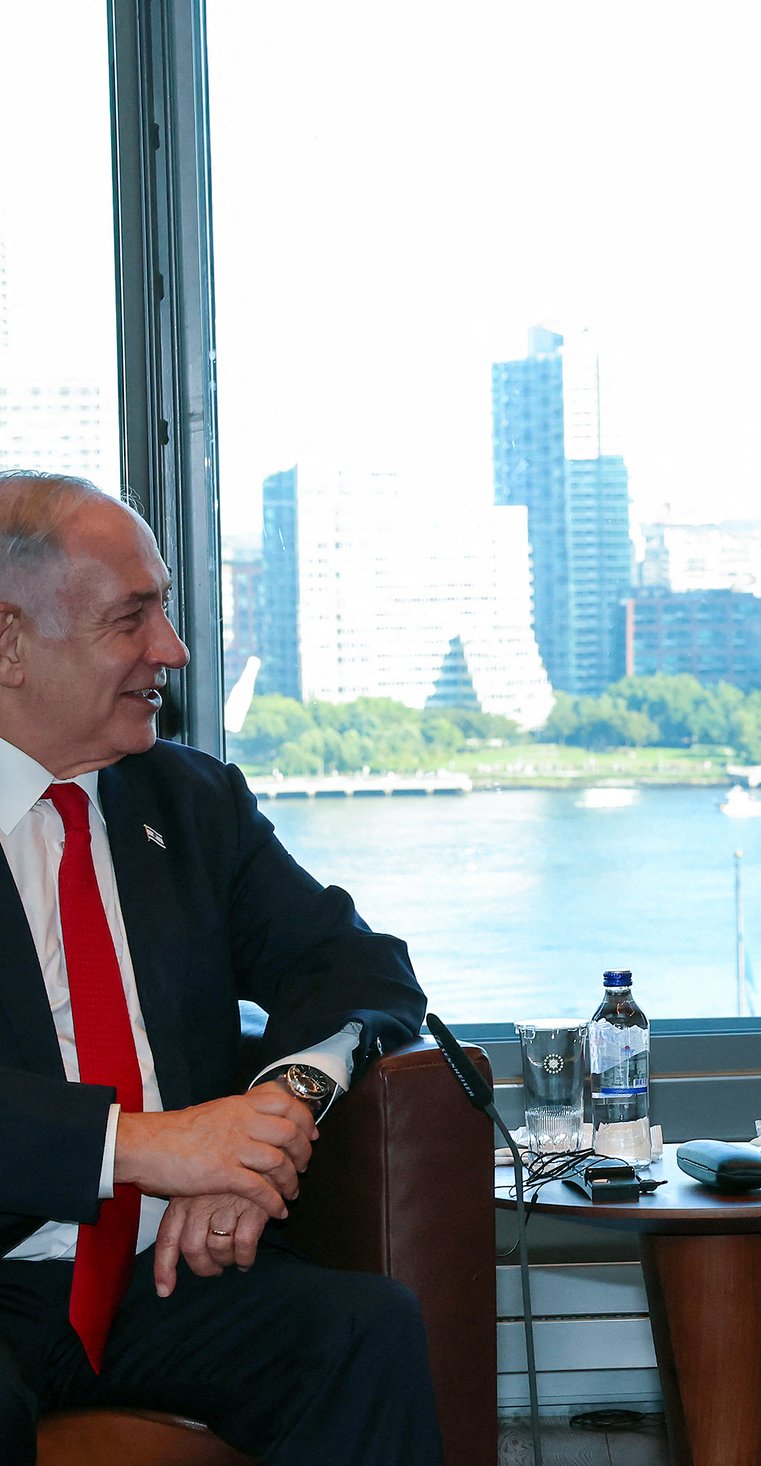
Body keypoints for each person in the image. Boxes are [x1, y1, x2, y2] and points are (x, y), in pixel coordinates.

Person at [0, 471, 442, 1465]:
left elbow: (359, 967)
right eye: (134, 617)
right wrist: (144, 1146)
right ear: (10, 641)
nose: (173, 649)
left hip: (167, 1270)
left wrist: (265, 1125)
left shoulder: (191, 801)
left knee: (363, 1331)